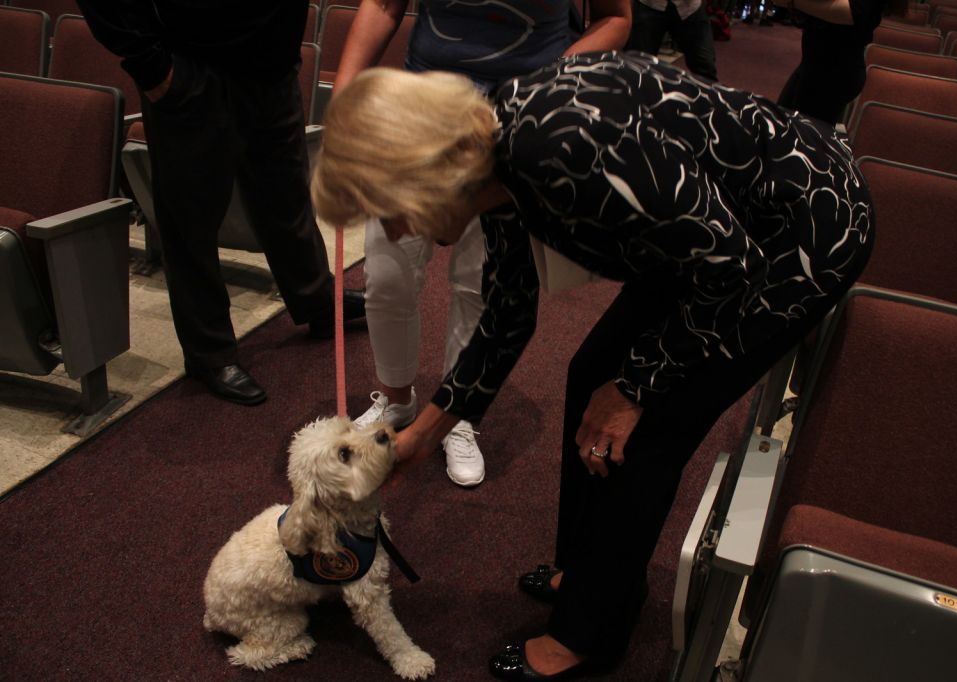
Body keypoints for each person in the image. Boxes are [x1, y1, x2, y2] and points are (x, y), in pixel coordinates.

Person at [313, 51, 875, 679]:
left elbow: (728, 269)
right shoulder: (494, 161)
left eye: (385, 209)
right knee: (590, 377)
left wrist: (635, 388)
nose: (391, 231)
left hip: (796, 235)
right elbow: (507, 316)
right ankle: (588, 574)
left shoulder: (558, 153)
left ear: (420, 173)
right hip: (711, 235)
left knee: (647, 428)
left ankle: (591, 634)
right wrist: (428, 430)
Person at [330, 0, 631, 486]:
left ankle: (457, 413)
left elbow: (616, 18)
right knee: (387, 271)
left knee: (480, 281)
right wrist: (344, 98)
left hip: (517, 118)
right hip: (421, 110)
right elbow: (384, 3)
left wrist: (536, 93)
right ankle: (398, 399)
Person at [75, 1, 339, 406]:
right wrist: (150, 66)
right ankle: (210, 353)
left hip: (273, 67)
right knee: (190, 223)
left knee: (287, 196)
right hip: (192, 71)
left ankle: (318, 303)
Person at [776, 0, 909, 124]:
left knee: (799, 138)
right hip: (817, 63)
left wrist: (793, 2)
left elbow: (853, 12)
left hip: (834, 72)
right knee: (784, 127)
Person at [625, 0, 719, 81]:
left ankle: (710, 101)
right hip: (649, 5)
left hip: (690, 7)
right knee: (638, 67)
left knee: (706, 67)